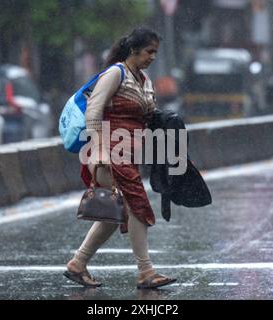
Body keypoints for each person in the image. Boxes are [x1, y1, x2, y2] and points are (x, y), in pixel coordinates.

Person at [64, 28, 177, 289]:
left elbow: (148, 117)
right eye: (149, 52)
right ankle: (146, 272)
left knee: (113, 215)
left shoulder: (144, 80)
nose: (152, 57)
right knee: (137, 206)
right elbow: (94, 108)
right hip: (110, 154)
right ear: (133, 51)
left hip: (128, 154)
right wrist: (100, 149)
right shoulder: (116, 73)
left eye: (155, 53)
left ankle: (77, 264)